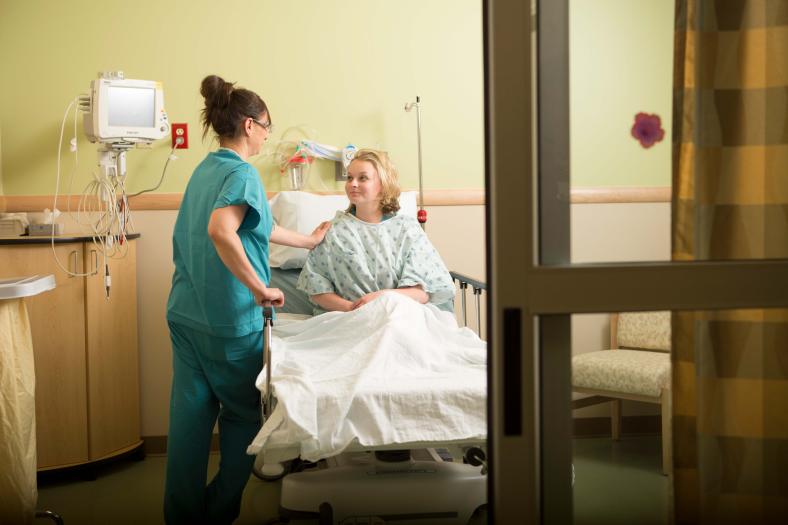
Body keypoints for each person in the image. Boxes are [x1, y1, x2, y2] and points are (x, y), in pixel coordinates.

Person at [164, 74, 329, 525]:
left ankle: (181, 517)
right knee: (243, 419)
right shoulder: (242, 173)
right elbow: (223, 230)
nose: (268, 135)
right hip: (228, 322)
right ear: (251, 125)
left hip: (185, 313)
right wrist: (261, 289)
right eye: (268, 126)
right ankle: (217, 512)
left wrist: (308, 241)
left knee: (190, 421)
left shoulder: (207, 169)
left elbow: (256, 225)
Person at [297, 148, 454, 314]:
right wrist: (352, 308)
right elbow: (317, 291)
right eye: (349, 178)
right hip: (348, 319)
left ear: (383, 184)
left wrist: (382, 299)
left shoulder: (407, 230)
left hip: (400, 316)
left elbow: (423, 293)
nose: (353, 183)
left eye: (362, 178)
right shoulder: (333, 231)